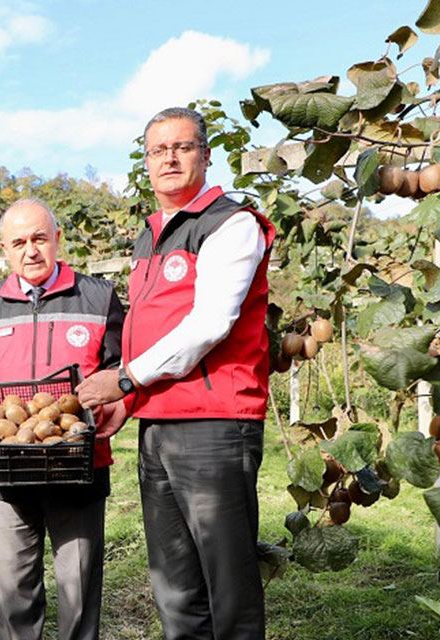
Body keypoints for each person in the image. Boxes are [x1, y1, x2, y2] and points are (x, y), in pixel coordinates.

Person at [76, 106, 276, 640]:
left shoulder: (230, 225)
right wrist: (130, 400)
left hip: (213, 424)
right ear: (146, 161)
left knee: (226, 582)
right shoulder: (152, 235)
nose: (170, 157)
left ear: (206, 156)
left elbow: (209, 324)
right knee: (174, 582)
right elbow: (153, 330)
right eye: (158, 149)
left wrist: (123, 378)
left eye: (182, 146)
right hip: (159, 424)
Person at [0, 198, 124, 640]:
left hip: (78, 466)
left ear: (56, 240)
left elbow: (122, 370)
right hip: (8, 466)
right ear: (4, 249)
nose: (30, 250)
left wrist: (120, 405)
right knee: (14, 590)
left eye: (39, 238)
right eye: (18, 242)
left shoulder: (98, 296)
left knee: (79, 592)